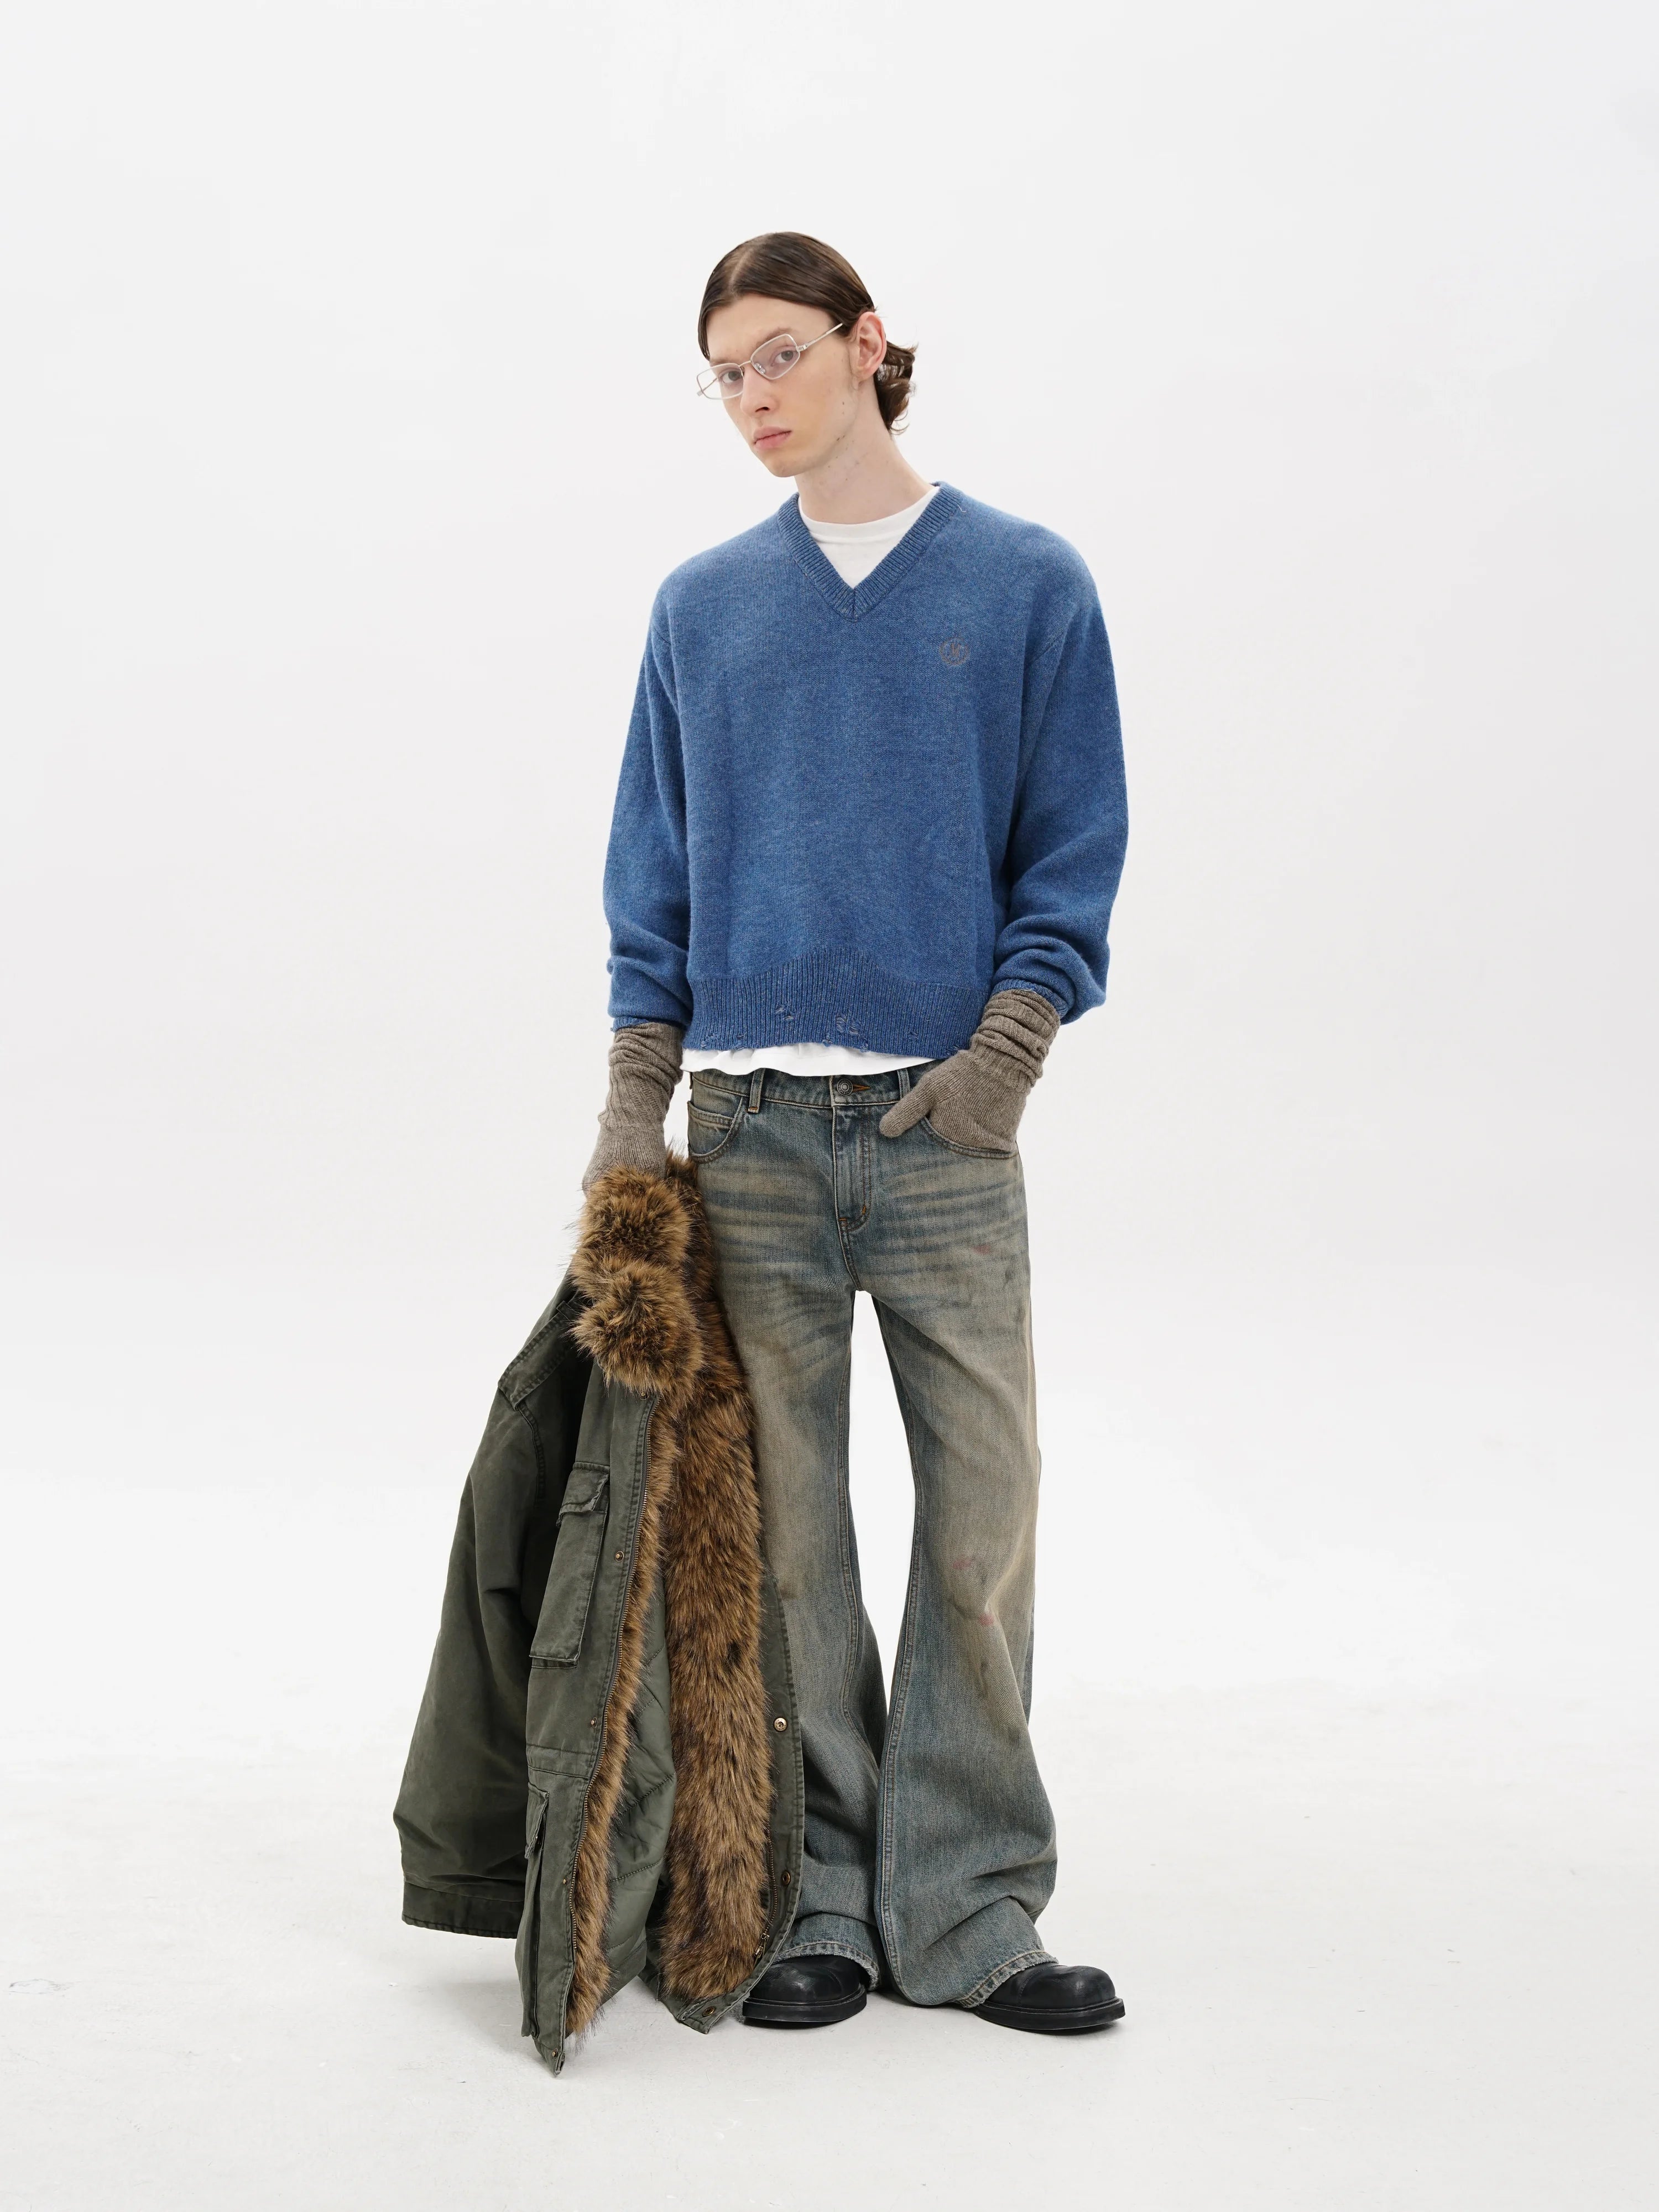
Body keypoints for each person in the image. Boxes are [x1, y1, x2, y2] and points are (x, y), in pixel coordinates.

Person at [585, 233, 1129, 2036]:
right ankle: (820, 1893)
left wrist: (1004, 1061)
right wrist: (633, 1110)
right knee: (792, 1539)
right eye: (723, 372)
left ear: (868, 342)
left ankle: (968, 1910)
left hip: (943, 1133)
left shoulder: (1027, 582)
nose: (752, 397)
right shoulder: (702, 609)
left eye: (781, 355)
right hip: (748, 1131)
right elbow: (653, 874)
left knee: (981, 1523)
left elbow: (1073, 845)